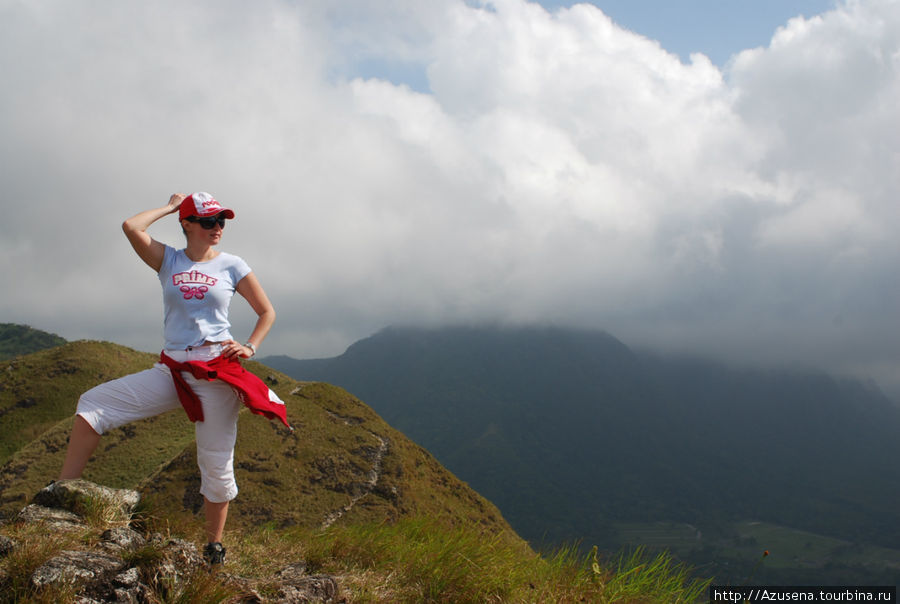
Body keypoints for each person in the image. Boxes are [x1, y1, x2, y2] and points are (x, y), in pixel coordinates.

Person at [58, 192, 289, 566]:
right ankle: (61, 496)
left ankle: (213, 547)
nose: (217, 228)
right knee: (93, 404)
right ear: (187, 224)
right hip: (173, 369)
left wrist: (249, 346)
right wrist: (169, 207)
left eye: (221, 221)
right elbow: (131, 226)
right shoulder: (168, 260)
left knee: (214, 461)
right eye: (208, 221)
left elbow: (267, 311)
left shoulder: (233, 265)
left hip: (215, 371)